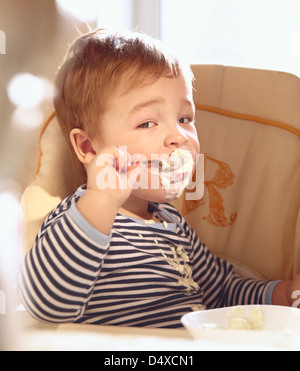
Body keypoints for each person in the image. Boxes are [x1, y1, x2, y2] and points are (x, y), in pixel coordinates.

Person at [18, 29, 300, 328]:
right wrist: (103, 198)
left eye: (184, 119)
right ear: (88, 147)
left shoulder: (172, 222)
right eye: (147, 123)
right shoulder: (81, 219)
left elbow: (220, 293)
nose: (179, 136)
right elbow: (44, 302)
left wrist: (282, 294)